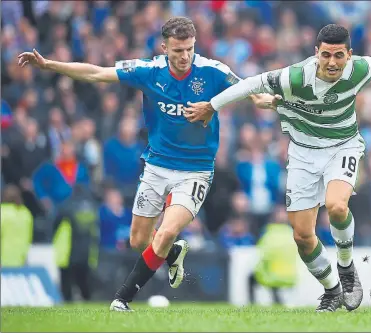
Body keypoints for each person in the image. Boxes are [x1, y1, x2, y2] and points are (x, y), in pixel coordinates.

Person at [18, 16, 275, 312]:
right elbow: (97, 73)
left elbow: (247, 91)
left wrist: (265, 100)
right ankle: (173, 253)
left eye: (189, 49)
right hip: (156, 166)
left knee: (165, 232)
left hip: (196, 170)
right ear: (164, 47)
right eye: (178, 50)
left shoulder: (212, 70)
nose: (185, 56)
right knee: (139, 239)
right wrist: (50, 65)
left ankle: (122, 298)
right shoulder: (148, 71)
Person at [184, 24, 371, 312]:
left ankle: (346, 268)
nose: (332, 62)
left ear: (349, 55)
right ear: (316, 53)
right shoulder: (294, 77)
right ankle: (332, 289)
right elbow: (250, 84)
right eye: (326, 55)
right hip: (303, 155)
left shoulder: (360, 69)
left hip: (343, 145)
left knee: (337, 206)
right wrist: (212, 106)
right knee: (303, 236)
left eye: (339, 56)